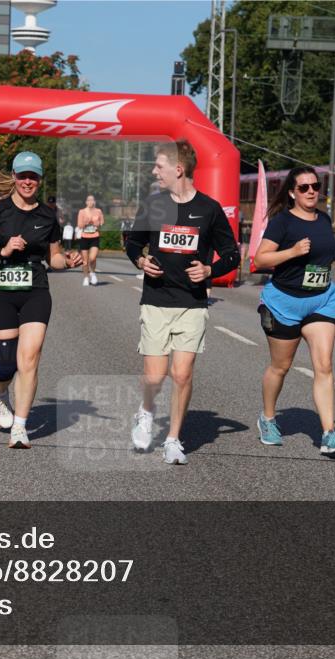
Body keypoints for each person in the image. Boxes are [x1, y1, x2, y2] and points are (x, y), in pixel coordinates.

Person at [126, 139, 240, 465]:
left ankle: (173, 439)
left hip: (191, 303)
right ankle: (146, 413)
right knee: (155, 375)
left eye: (159, 166)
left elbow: (232, 254)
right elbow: (133, 244)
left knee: (182, 374)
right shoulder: (152, 205)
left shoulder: (209, 209)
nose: (154, 171)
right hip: (157, 299)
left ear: (179, 169)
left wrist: (210, 270)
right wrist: (139, 261)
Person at [0, 151, 83, 449]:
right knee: (5, 366)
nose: (28, 181)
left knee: (29, 358)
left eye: (33, 177)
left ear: (40, 180)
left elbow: (53, 256)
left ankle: (20, 426)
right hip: (1, 291)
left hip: (36, 290)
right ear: (15, 178)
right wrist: (2, 251)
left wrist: (66, 261)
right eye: (23, 176)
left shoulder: (47, 215)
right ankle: (0, 391)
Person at [252, 166, 335, 456]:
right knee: (281, 367)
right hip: (284, 303)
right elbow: (260, 258)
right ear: (292, 193)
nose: (311, 191)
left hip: (321, 300)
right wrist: (291, 252)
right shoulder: (282, 222)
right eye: (304, 187)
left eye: (315, 185)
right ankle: (268, 418)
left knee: (324, 365)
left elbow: (320, 253)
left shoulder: (323, 219)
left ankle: (329, 434)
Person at [77, 194, 104, 286]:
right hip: (84, 237)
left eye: (92, 200)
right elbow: (79, 225)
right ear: (86, 202)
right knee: (85, 261)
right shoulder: (82, 212)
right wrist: (86, 222)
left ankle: (92, 273)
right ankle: (85, 277)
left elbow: (102, 223)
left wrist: (98, 223)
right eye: (88, 200)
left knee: (92, 258)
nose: (90, 202)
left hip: (95, 236)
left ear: (94, 202)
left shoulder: (98, 211)